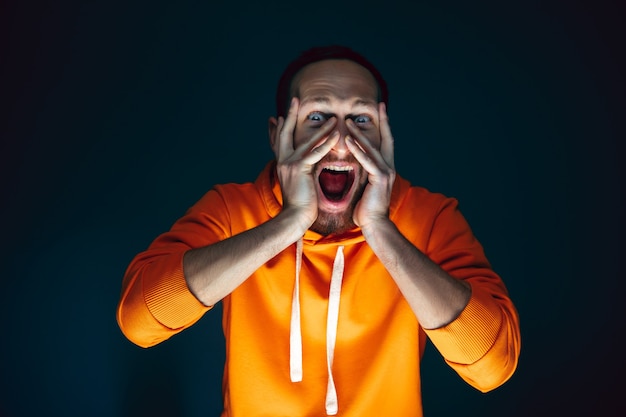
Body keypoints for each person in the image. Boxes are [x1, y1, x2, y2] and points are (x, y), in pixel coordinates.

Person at [117, 45, 521, 417]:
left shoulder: (429, 217)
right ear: (278, 136)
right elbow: (139, 322)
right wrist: (287, 224)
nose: (341, 142)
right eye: (317, 117)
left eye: (361, 120)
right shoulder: (231, 209)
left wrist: (380, 229)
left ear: (384, 137)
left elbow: (493, 368)